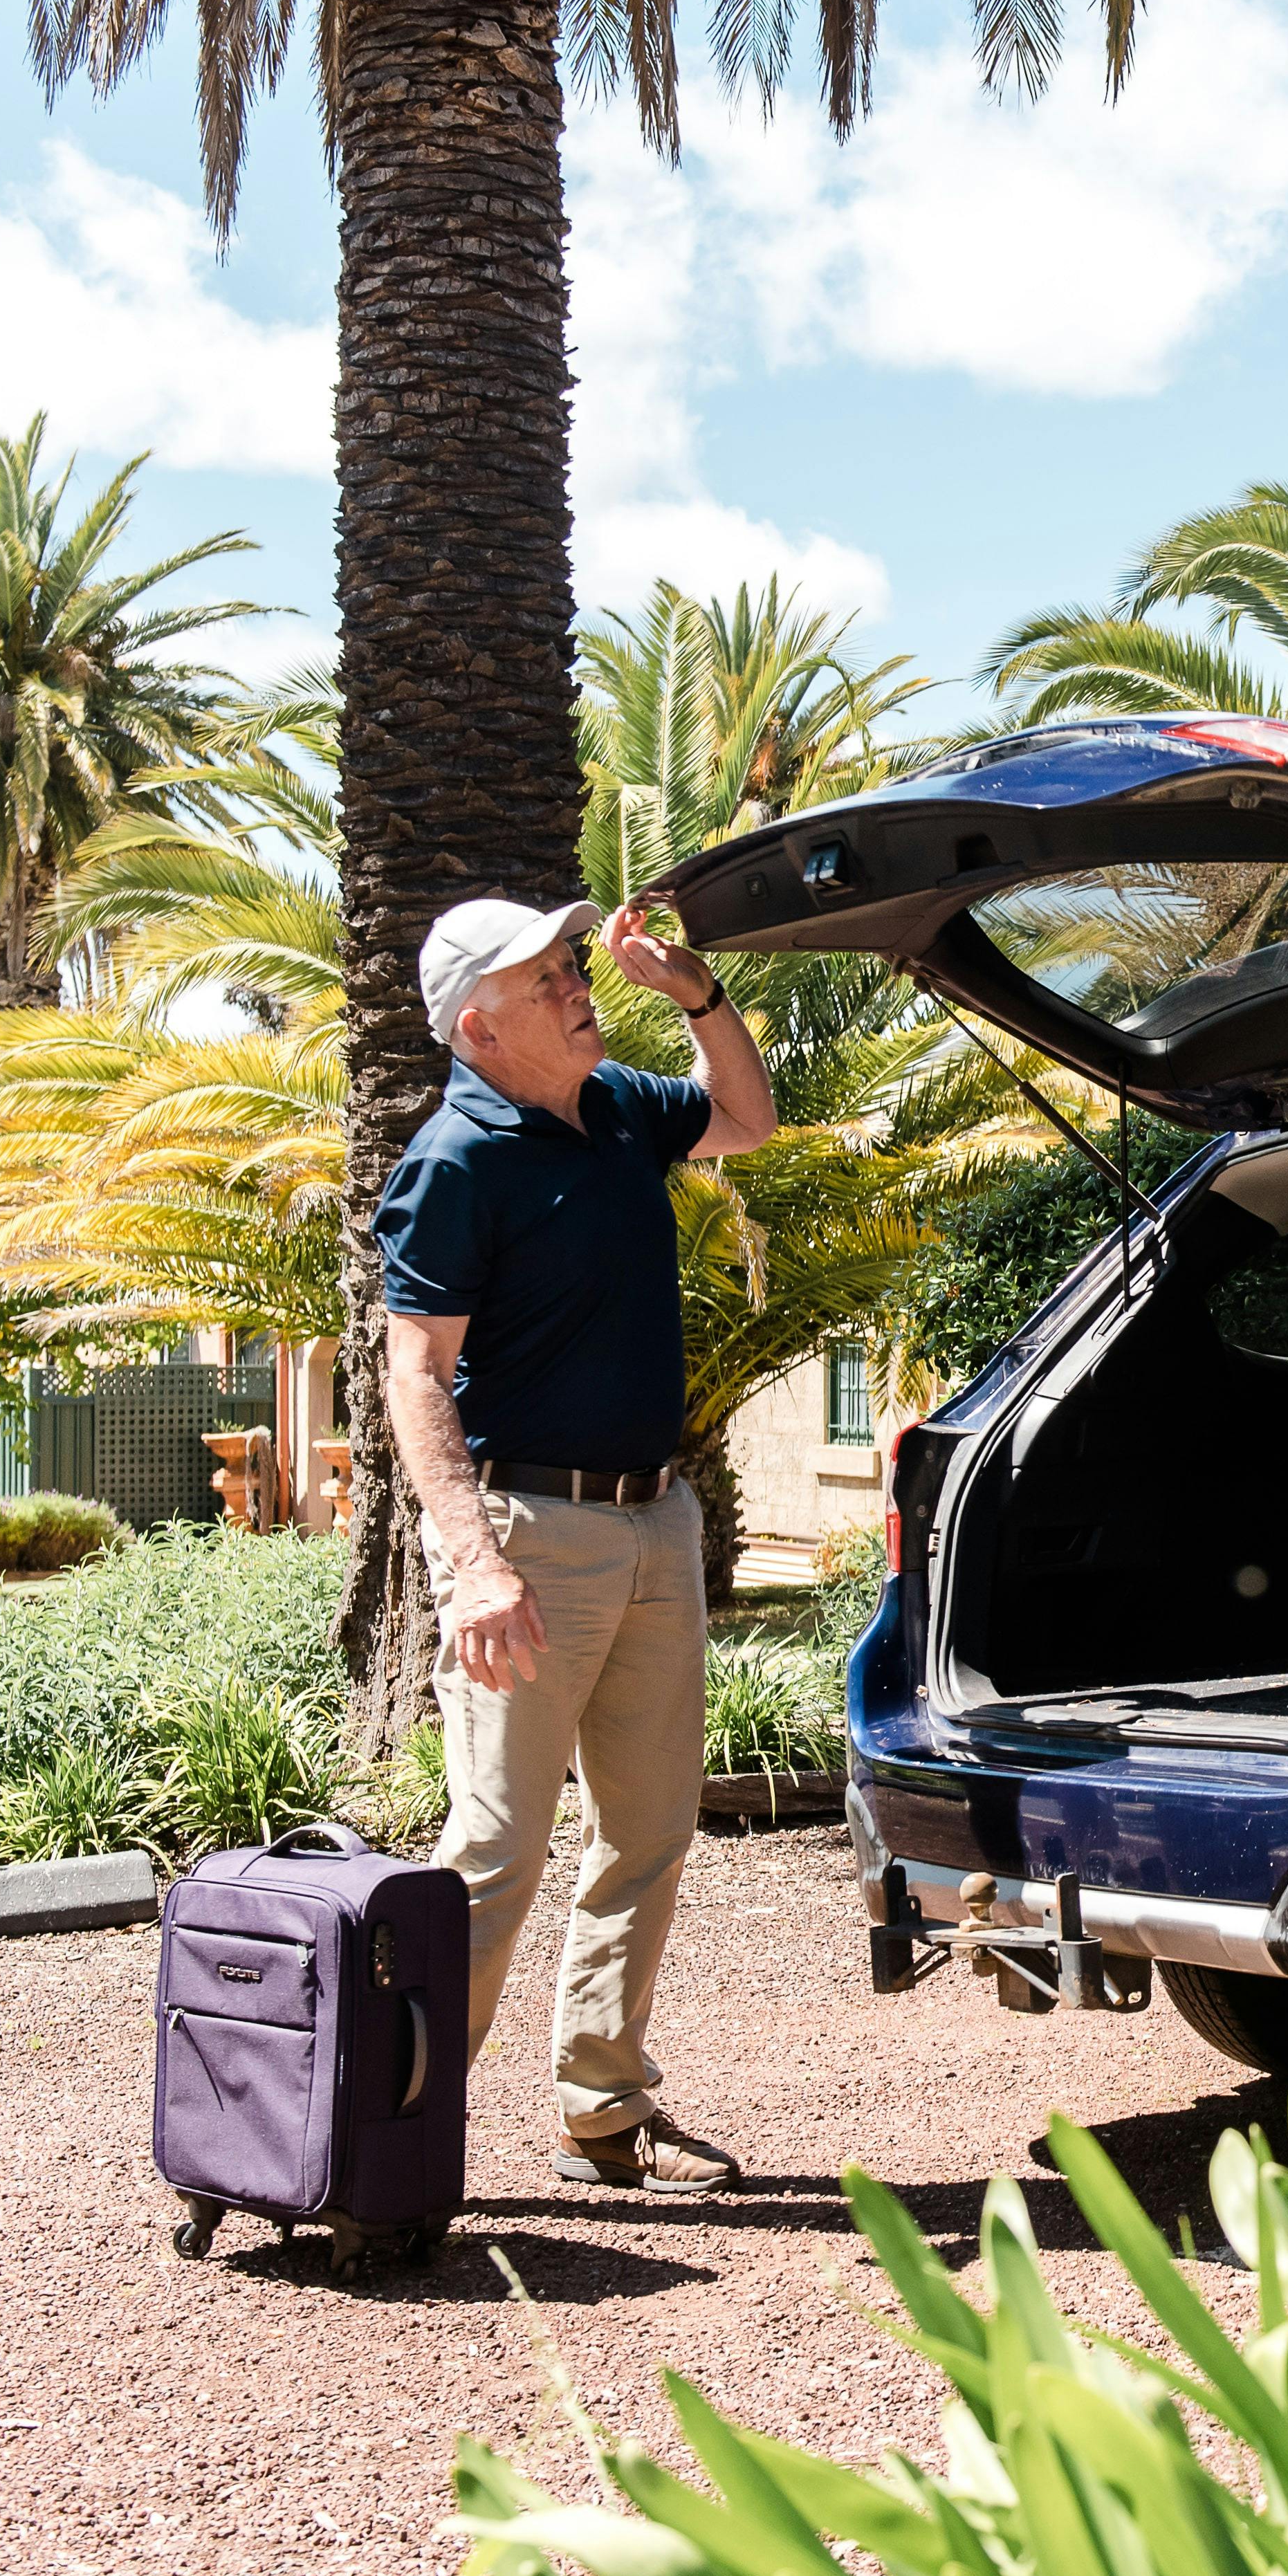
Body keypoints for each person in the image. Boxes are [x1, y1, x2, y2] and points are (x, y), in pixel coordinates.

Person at [374, 893, 774, 2193]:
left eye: (568, 964)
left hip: (657, 1521)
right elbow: (415, 1373)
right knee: (497, 1851)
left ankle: (602, 2107)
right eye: (546, 976)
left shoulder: (614, 1109)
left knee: (650, 1830)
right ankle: (380, 2130)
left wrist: (698, 996)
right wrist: (475, 1561)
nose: (573, 984)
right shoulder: (452, 1159)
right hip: (529, 1536)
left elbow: (750, 1122)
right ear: (479, 1024)